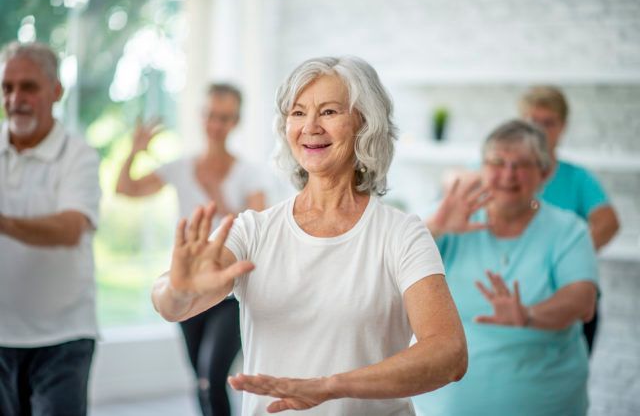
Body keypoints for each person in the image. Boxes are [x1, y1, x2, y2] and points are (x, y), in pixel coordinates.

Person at [152, 56, 468, 415]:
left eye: (329, 111)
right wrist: (178, 288)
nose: (310, 126)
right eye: (298, 113)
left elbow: (450, 353)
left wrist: (330, 387)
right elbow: (170, 304)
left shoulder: (401, 234)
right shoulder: (253, 230)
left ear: (365, 122)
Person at [412, 120, 598, 416]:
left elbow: (582, 300)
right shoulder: (447, 217)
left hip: (546, 401)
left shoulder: (568, 230)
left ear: (545, 173)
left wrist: (528, 315)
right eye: (497, 162)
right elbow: (385, 260)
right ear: (481, 167)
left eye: (522, 164)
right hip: (444, 404)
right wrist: (437, 226)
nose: (509, 174)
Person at [116, 83, 266, 416]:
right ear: (201, 117)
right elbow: (125, 188)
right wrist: (135, 149)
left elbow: (261, 229)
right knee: (199, 379)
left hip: (230, 292)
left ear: (236, 121)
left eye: (225, 118)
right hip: (187, 286)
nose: (216, 125)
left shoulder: (249, 174)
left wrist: (219, 195)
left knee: (213, 376)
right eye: (211, 115)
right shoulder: (180, 167)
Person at [0, 41, 101, 416]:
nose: (15, 99)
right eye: (7, 88)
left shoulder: (79, 155)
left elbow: (71, 228)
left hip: (63, 337)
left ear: (56, 91)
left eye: (28, 87)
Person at [519, 85, 619, 353]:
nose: (539, 130)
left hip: (568, 300)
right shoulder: (503, 174)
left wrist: (571, 255)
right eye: (532, 122)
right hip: (519, 300)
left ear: (562, 127)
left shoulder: (577, 178)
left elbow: (608, 223)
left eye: (548, 123)